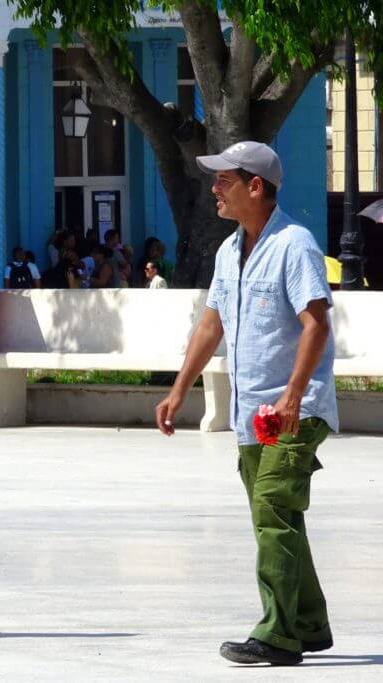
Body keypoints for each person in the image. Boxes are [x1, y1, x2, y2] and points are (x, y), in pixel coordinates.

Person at [155, 141, 337, 667]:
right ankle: (308, 621)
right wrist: (177, 389)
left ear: (255, 186)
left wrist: (293, 396)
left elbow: (315, 323)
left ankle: (277, 634)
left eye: (223, 180)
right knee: (276, 514)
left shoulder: (294, 245)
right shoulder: (227, 251)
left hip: (293, 411)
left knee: (273, 511)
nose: (214, 188)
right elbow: (209, 325)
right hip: (250, 412)